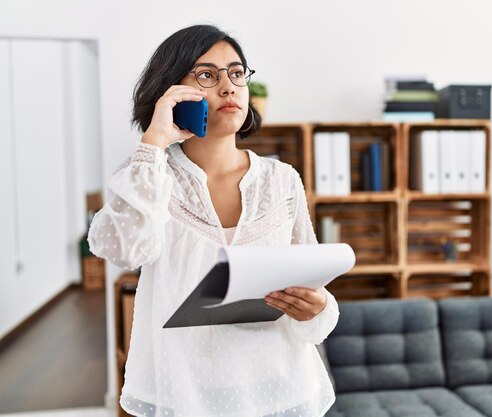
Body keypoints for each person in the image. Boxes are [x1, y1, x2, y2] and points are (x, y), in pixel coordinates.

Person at [88, 24, 339, 417]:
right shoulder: (148, 175)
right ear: (169, 92)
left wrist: (317, 307)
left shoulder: (283, 180)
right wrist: (153, 142)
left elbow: (309, 290)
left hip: (280, 387)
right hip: (185, 392)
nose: (229, 87)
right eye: (207, 75)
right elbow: (123, 248)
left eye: (237, 73)